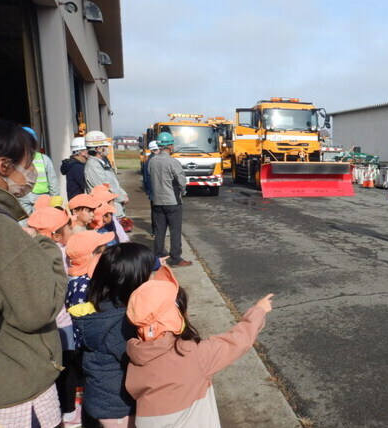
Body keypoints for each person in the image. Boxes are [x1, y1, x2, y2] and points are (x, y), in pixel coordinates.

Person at [0, 118, 68, 428]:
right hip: (14, 386)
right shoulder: (0, 229)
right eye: (29, 163)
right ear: (3, 166)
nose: (33, 172)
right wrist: (47, 249)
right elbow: (39, 309)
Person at [125, 264, 273, 427]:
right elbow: (238, 340)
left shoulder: (135, 355)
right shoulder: (191, 353)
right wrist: (258, 311)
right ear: (177, 315)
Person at [73, 243, 154, 427]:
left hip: (100, 399)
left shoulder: (104, 306)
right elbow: (142, 361)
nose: (152, 277)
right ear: (133, 280)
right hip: (118, 408)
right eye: (148, 273)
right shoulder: (121, 323)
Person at [27, 206, 81, 425]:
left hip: (44, 324)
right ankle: (68, 410)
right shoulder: (57, 253)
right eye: (69, 225)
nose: (72, 228)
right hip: (61, 321)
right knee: (66, 367)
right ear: (56, 234)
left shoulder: (31, 251)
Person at [148, 132, 192, 267]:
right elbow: (181, 180)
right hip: (172, 201)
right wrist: (183, 191)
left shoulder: (152, 161)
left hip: (157, 201)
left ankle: (159, 256)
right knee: (175, 230)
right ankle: (176, 258)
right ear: (170, 146)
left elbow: (150, 176)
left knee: (159, 230)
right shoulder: (173, 162)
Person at [83, 130, 129, 217]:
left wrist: (123, 193)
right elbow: (104, 187)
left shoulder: (102, 162)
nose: (107, 149)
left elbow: (113, 182)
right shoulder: (93, 166)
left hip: (114, 207)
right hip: (105, 210)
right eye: (105, 146)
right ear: (98, 149)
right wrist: (121, 198)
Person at [17, 126, 60, 216]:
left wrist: (55, 202)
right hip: (22, 199)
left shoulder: (44, 159)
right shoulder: (14, 159)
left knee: (43, 225)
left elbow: (53, 182)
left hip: (41, 199)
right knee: (25, 227)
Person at [143, 140, 159, 236]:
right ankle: (156, 231)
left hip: (152, 190)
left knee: (155, 211)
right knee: (156, 212)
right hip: (155, 190)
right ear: (154, 150)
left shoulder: (148, 160)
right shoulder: (152, 161)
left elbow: (145, 179)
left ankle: (155, 231)